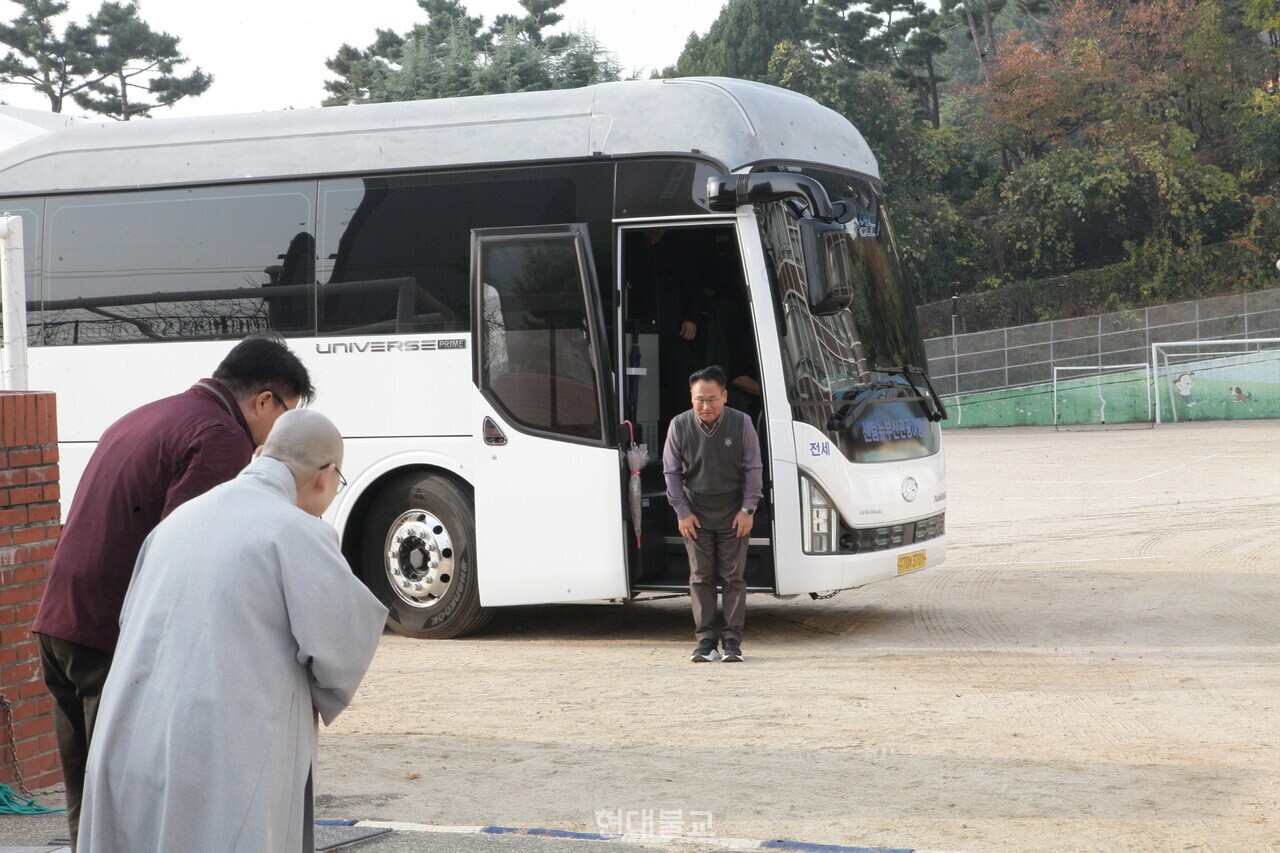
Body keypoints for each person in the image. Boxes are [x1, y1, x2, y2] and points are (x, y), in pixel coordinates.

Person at [32, 333, 314, 849]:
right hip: (110, 634)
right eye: (287, 415)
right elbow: (193, 555)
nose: (280, 438)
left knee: (90, 816)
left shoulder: (148, 414)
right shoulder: (221, 436)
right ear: (264, 401)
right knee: (126, 813)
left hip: (59, 622)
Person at [77, 409, 388, 853]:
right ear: (326, 476)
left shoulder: (176, 522)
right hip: (221, 752)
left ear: (260, 454)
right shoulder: (297, 532)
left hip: (129, 737)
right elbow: (341, 654)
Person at [663, 365, 764, 663]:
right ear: (691, 398)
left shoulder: (742, 423)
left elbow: (754, 469)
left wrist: (748, 509)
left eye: (712, 399)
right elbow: (670, 472)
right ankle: (705, 640)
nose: (705, 406)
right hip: (695, 515)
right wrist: (682, 512)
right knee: (700, 576)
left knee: (734, 577)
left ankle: (733, 641)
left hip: (735, 514)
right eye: (699, 399)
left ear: (725, 396)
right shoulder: (679, 425)